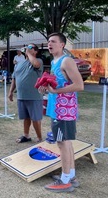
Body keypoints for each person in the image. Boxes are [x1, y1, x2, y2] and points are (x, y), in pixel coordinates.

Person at [39, 33, 84, 193]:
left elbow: (79, 85)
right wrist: (47, 87)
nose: (49, 44)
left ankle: (65, 180)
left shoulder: (67, 60)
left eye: (53, 41)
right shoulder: (54, 61)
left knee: (62, 143)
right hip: (57, 109)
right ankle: (70, 175)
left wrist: (56, 91)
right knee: (67, 142)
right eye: (48, 41)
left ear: (62, 44)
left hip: (63, 111)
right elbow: (58, 82)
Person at [8, 43, 43, 143]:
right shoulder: (20, 63)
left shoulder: (38, 61)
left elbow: (36, 64)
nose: (28, 49)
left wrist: (29, 53)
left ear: (36, 51)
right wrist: (10, 91)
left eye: (31, 47)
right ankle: (26, 135)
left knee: (35, 118)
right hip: (21, 96)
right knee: (26, 118)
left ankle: (40, 138)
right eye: (27, 47)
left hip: (34, 96)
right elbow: (14, 78)